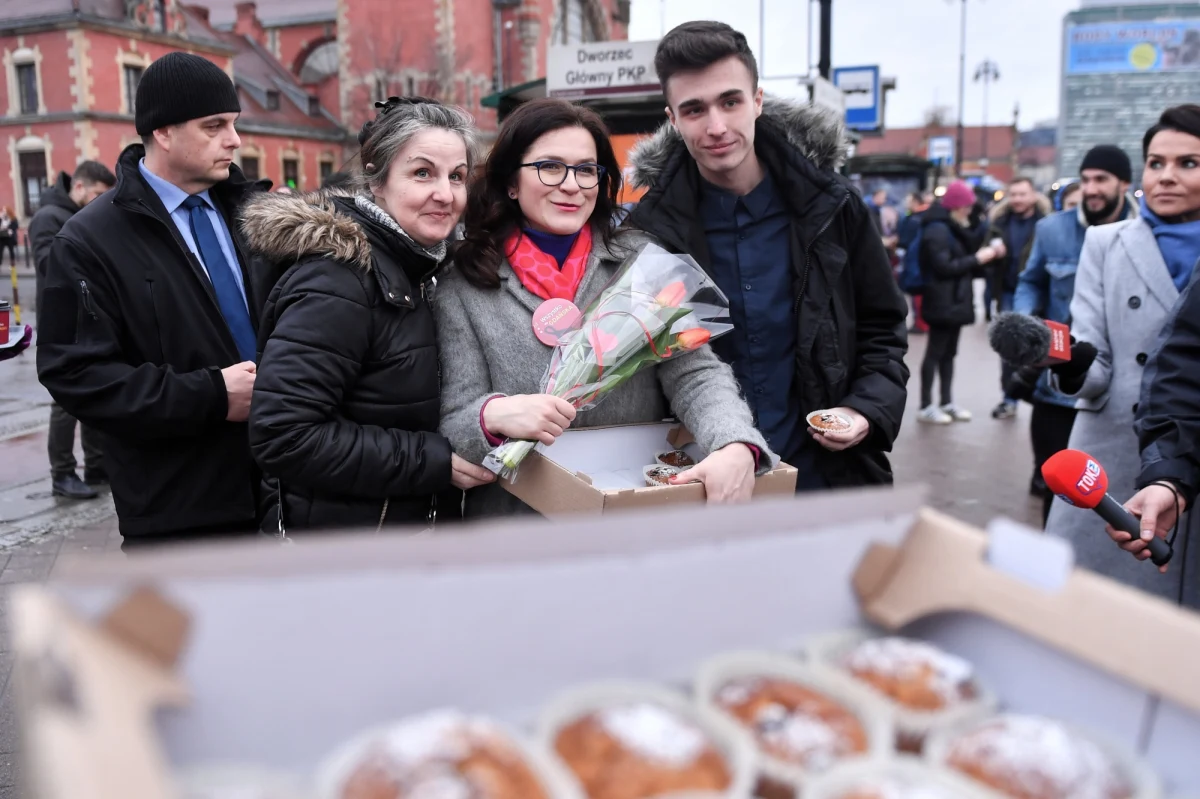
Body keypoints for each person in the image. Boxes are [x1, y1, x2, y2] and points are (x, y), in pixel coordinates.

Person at [437, 98, 774, 517]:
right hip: (517, 531)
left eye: (585, 170)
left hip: (631, 516)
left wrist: (733, 441)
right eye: (550, 166)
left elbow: (695, 372)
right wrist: (493, 415)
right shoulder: (464, 282)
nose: (572, 185)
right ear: (511, 182)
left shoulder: (641, 261)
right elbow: (453, 419)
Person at [624, 21, 909, 490]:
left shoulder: (834, 207)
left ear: (757, 101)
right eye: (695, 110)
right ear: (672, 120)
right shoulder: (650, 232)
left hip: (826, 475)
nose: (716, 127)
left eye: (730, 102)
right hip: (705, 481)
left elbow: (883, 326)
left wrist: (864, 409)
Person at [37, 52, 266, 548]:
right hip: (178, 515)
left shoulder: (255, 215)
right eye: (214, 126)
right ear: (163, 132)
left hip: (281, 491)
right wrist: (210, 396)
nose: (235, 140)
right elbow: (76, 375)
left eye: (234, 124)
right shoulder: (86, 241)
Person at [244, 97, 493, 533]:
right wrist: (432, 460)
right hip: (341, 555)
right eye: (422, 173)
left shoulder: (422, 268)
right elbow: (285, 435)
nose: (445, 194)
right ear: (377, 181)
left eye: (456, 176)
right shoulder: (337, 280)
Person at [1045, 106, 1200, 601]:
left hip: (1190, 456)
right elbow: (1098, 371)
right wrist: (1068, 363)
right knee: (1086, 615)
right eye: (1156, 163)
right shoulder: (1105, 242)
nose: (1167, 177)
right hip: (1110, 455)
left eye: (1187, 163)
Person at [1014, 144, 1138, 523]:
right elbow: (1030, 282)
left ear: (1124, 184)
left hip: (1120, 390)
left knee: (1116, 492)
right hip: (1058, 386)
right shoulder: (1051, 229)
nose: (1091, 189)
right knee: (1057, 491)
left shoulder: (1142, 234)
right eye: (1085, 180)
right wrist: (1025, 324)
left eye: (1101, 179)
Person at [28, 161, 116, 500]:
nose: (98, 203)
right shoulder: (48, 217)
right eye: (95, 195)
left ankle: (95, 465)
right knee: (64, 402)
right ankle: (62, 473)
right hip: (62, 319)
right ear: (78, 187)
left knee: (96, 388)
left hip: (89, 315)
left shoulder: (77, 216)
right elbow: (51, 267)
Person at [916, 181, 1005, 425]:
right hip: (942, 300)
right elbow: (943, 267)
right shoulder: (938, 230)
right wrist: (977, 259)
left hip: (953, 300)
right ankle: (925, 405)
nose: (969, 210)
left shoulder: (950, 227)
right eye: (966, 206)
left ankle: (946, 402)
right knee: (935, 352)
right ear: (956, 206)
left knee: (948, 353)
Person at [988, 177, 1051, 420]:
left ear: (1033, 195)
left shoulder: (1045, 224)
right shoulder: (999, 222)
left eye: (1022, 194)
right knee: (1009, 346)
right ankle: (1009, 398)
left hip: (1038, 292)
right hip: (1008, 290)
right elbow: (983, 249)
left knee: (1043, 346)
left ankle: (1042, 395)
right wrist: (993, 253)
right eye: (1013, 194)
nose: (1017, 199)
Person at [897, 191, 932, 334]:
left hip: (915, 262)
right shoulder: (915, 217)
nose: (907, 203)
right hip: (915, 261)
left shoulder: (916, 219)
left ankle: (921, 322)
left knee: (917, 292)